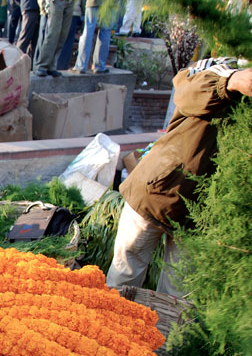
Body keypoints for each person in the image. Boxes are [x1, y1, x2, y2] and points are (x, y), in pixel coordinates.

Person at [107, 59, 252, 296]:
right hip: (158, 191)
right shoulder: (222, 69)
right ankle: (109, 327)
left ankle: (161, 332)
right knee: (124, 277)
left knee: (177, 295)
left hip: (200, 214)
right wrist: (231, 82)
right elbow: (184, 89)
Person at [33, 0, 75, 77]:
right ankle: (41, 65)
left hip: (71, 0)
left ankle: (52, 65)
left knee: (63, 35)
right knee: (53, 33)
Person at [70, 0, 110, 74]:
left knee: (88, 30)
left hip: (94, 0)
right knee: (106, 31)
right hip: (111, 2)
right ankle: (100, 66)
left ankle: (81, 66)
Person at [16, 0, 39, 64]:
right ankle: (15, 62)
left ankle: (29, 65)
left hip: (33, 6)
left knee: (34, 41)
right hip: (30, 6)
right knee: (24, 38)